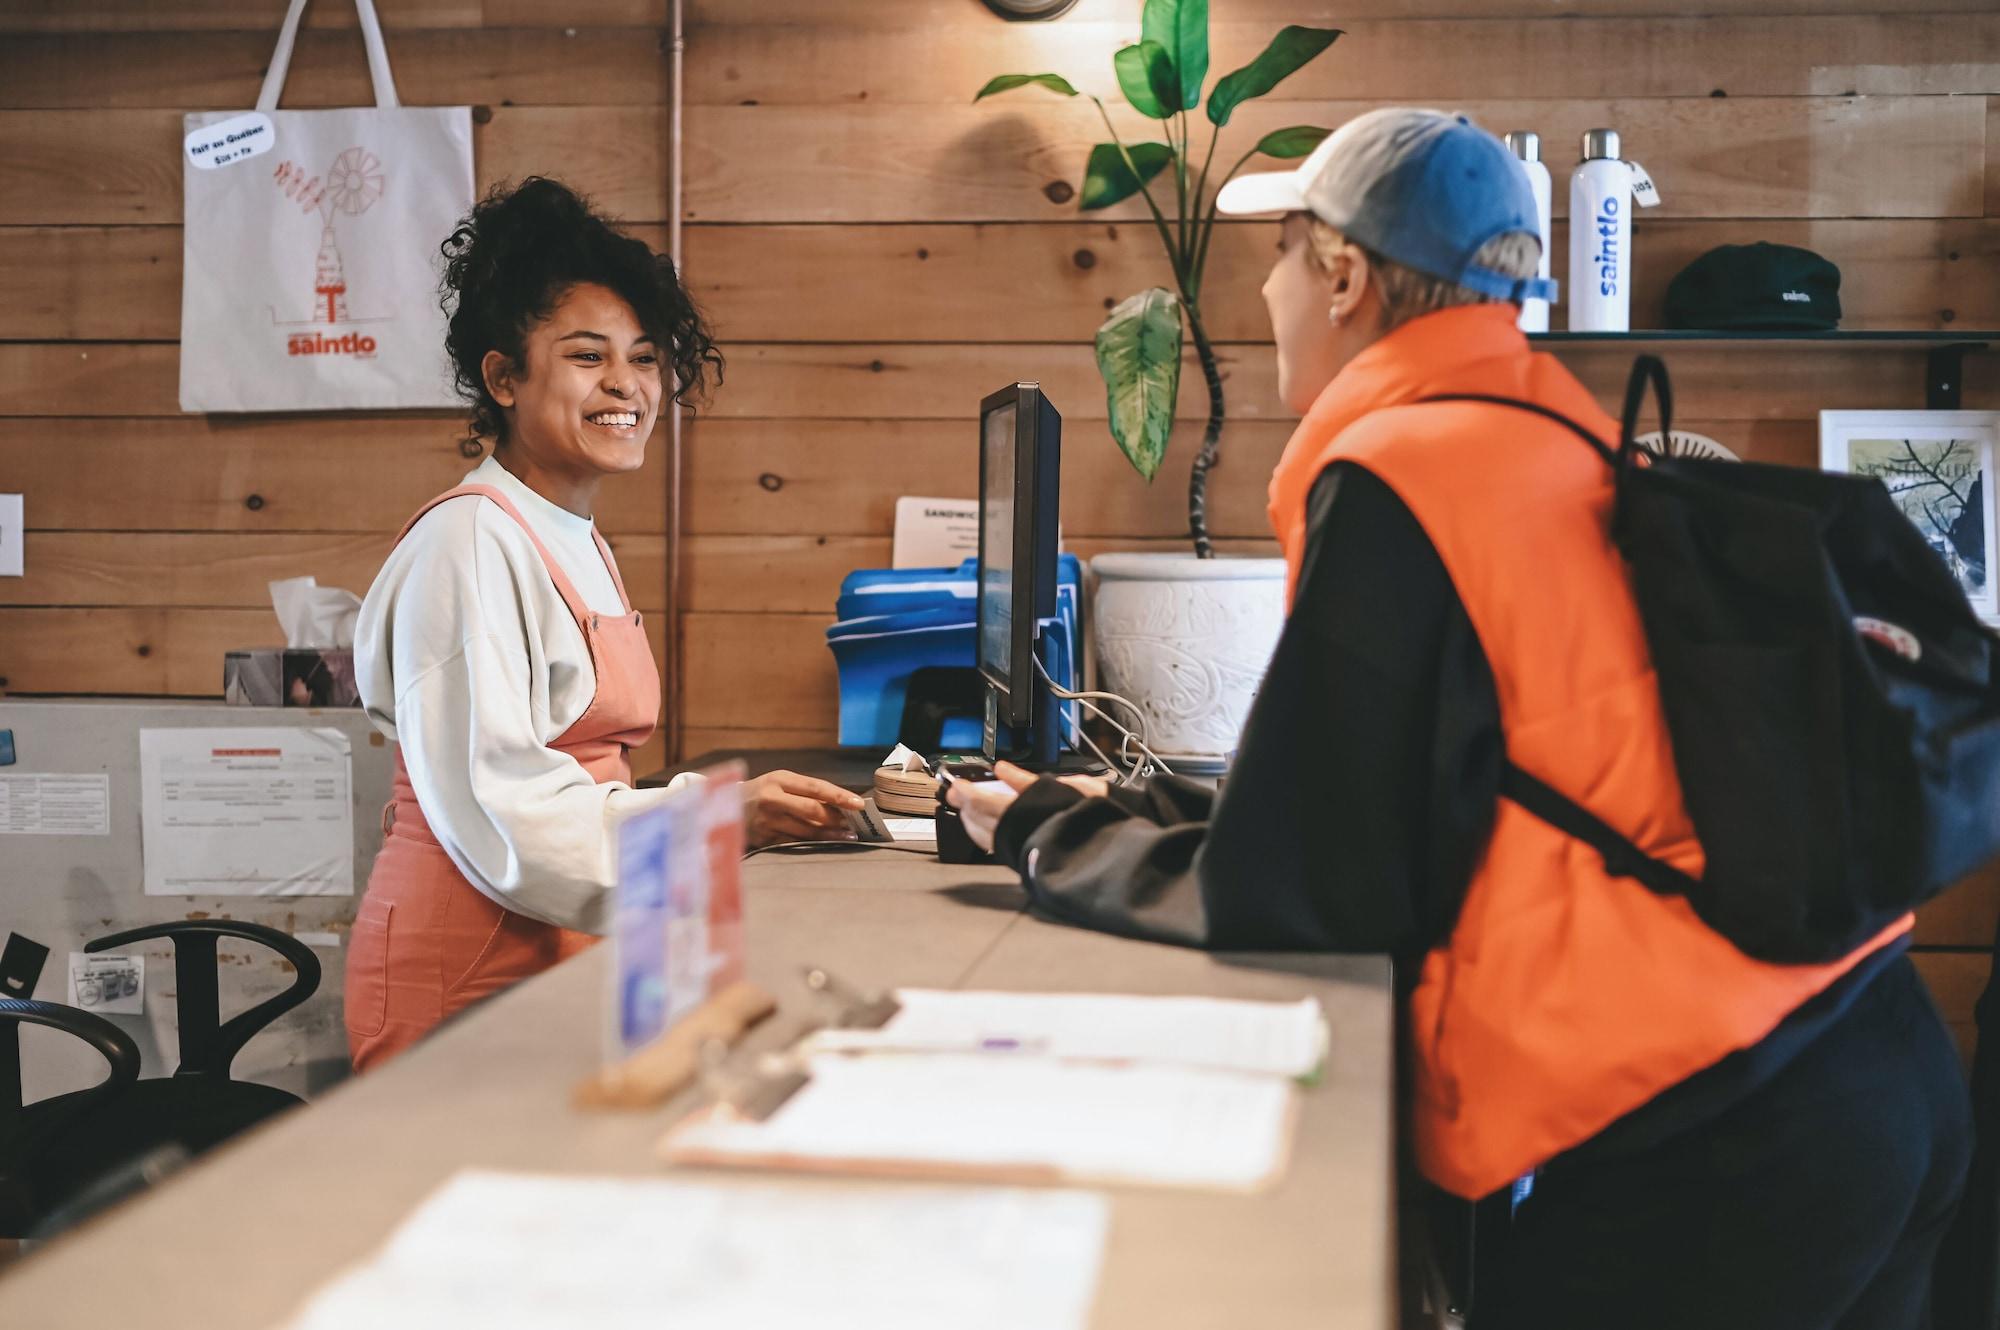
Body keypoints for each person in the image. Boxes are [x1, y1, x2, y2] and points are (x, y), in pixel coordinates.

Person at [949, 110, 1971, 1328]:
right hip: (1870, 1058)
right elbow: (1439, 786)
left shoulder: (1404, 471)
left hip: (1718, 1138)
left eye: (1279, 254)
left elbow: (1311, 887)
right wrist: (1135, 805)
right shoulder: (1546, 432)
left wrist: (1045, 838)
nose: (1267, 291)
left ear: (1343, 275)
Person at [346, 178, 862, 1072]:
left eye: (647, 358)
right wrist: (720, 820)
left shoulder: (569, 532)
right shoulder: (469, 542)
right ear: (504, 377)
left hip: (558, 932)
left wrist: (723, 815)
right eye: (588, 357)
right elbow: (508, 810)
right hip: (470, 953)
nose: (627, 385)